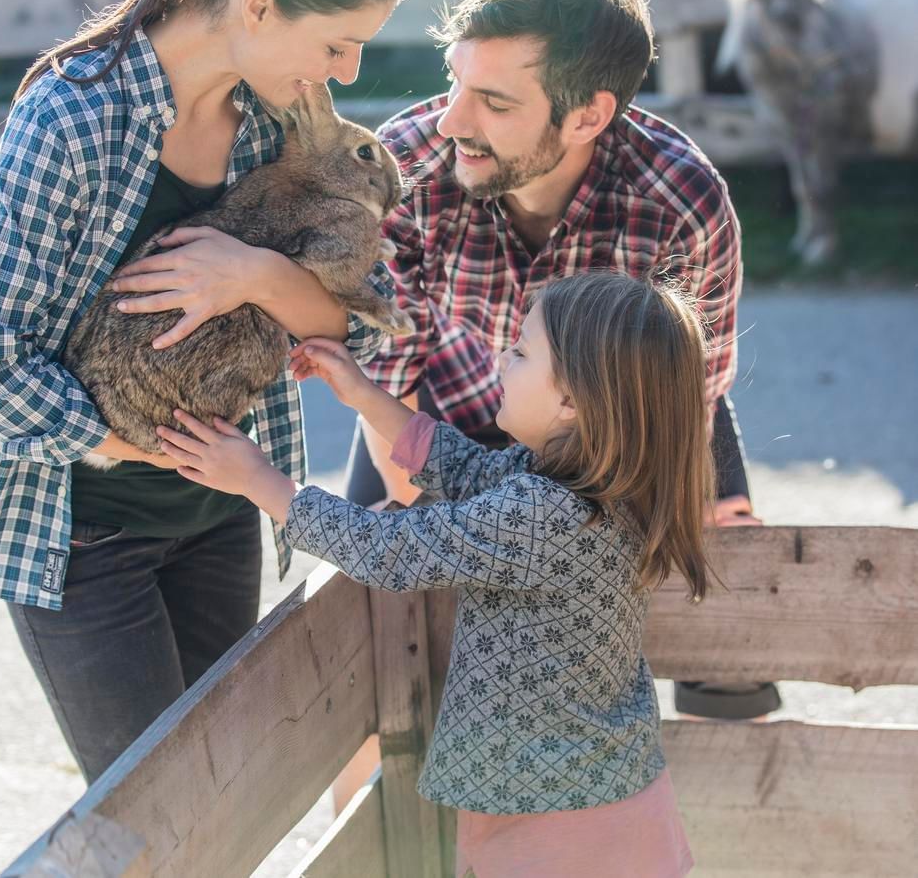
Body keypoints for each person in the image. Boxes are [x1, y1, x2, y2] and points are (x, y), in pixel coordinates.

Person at [0, 0, 410, 783]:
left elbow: (361, 341)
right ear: (260, 6)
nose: (342, 73)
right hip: (82, 544)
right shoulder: (73, 120)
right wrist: (138, 445)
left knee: (222, 801)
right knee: (151, 817)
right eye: (338, 43)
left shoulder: (274, 126)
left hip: (220, 519)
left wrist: (258, 278)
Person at [347, 0, 779, 722]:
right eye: (456, 82)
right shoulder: (402, 171)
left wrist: (591, 568)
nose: (450, 122)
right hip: (439, 406)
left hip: (631, 422)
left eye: (496, 103)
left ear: (589, 116)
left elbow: (686, 412)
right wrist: (451, 559)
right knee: (385, 655)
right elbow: (387, 385)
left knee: (723, 646)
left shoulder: (678, 203)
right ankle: (383, 823)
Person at [156, 270, 708, 877]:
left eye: (521, 352)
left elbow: (392, 551)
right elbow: (466, 469)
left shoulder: (547, 513)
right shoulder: (590, 490)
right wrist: (364, 394)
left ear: (572, 401)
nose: (502, 359)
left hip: (560, 827)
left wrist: (260, 482)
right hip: (585, 797)